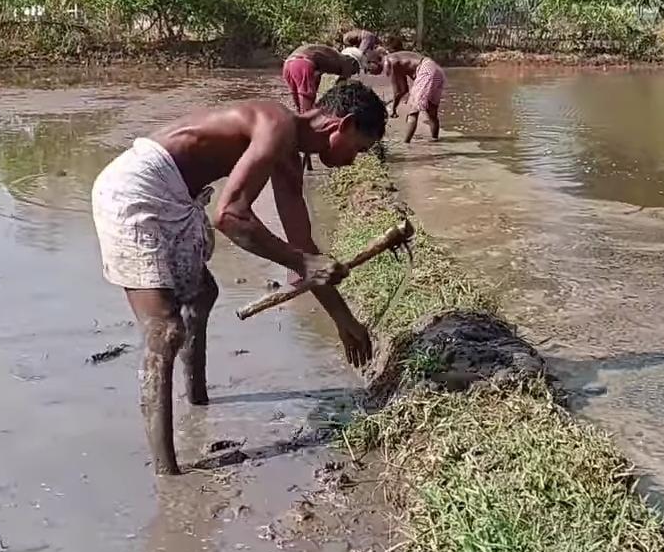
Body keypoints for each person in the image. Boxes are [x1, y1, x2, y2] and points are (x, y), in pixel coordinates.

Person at [90, 81, 386, 476]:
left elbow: (304, 250)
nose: (352, 161)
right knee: (165, 330)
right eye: (359, 149)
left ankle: (197, 403)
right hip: (134, 189)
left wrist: (344, 320)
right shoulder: (276, 124)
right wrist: (301, 260)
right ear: (342, 125)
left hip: (180, 196)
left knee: (203, 293)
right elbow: (229, 216)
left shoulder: (288, 157)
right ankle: (169, 475)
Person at [282, 44, 360, 169]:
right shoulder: (346, 63)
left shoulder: (327, 59)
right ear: (353, 61)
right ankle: (303, 164)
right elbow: (342, 90)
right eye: (356, 68)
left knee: (302, 115)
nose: (354, 72)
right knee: (308, 120)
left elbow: (316, 79)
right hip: (303, 64)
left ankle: (305, 163)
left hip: (289, 65)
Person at [377, 50, 445, 142]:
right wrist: (393, 105)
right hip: (436, 70)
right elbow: (404, 90)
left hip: (425, 69)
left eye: (368, 69)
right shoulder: (396, 60)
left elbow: (398, 91)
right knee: (431, 112)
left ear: (374, 62)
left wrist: (393, 109)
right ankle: (435, 142)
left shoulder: (389, 62)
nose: (370, 72)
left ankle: (406, 144)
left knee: (412, 112)